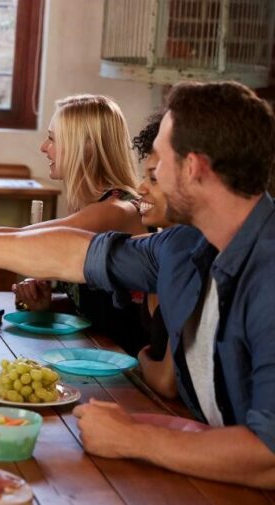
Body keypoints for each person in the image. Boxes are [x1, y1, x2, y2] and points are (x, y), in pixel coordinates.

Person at [0, 81, 275, 488]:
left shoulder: (267, 272)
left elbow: (268, 456)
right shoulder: (186, 245)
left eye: (160, 159)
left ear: (194, 167)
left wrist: (135, 438)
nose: (150, 173)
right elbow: (74, 253)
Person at [9, 95, 147, 355]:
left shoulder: (117, 210)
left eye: (53, 138)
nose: (43, 147)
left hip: (134, 375)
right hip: (98, 356)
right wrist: (49, 305)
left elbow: (24, 240)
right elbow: (105, 306)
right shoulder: (90, 206)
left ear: (88, 146)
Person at [132, 113, 176, 399]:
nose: (140, 188)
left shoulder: (197, 259)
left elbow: (167, 383)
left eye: (154, 178)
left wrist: (140, 360)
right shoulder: (156, 246)